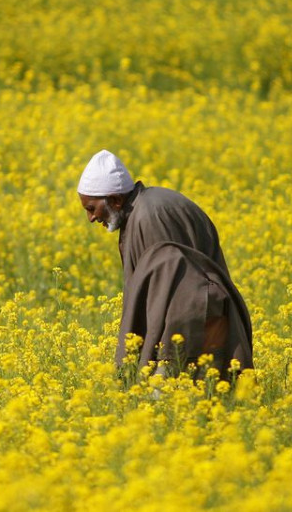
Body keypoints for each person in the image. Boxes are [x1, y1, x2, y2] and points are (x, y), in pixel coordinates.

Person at [77, 149, 253, 380]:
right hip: (203, 316)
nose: (91, 218)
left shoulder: (149, 217)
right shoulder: (149, 206)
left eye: (92, 208)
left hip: (189, 325)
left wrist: (150, 357)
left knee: (169, 400)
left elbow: (171, 292)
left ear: (116, 200)